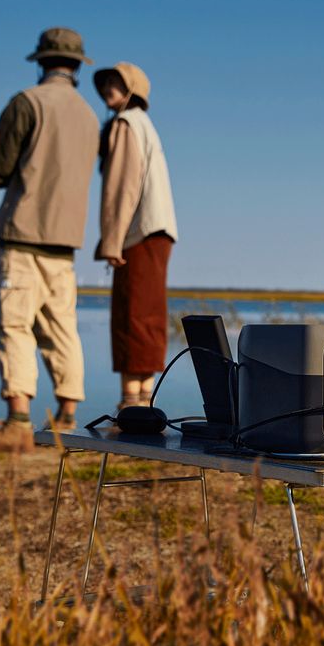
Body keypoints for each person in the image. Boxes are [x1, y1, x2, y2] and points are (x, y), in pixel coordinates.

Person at [0, 28, 99, 452]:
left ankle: (18, 423)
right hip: (66, 240)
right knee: (62, 328)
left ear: (42, 61)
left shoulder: (26, 102)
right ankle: (67, 419)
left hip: (23, 233)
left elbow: (0, 170)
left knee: (14, 324)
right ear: (77, 67)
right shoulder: (90, 116)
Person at [93, 62, 178, 410]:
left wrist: (112, 239)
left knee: (133, 315)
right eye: (106, 82)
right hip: (156, 230)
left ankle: (132, 404)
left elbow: (121, 187)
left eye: (117, 82)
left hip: (139, 232)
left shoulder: (127, 124)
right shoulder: (146, 125)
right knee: (148, 314)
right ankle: (142, 400)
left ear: (132, 89)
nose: (108, 88)